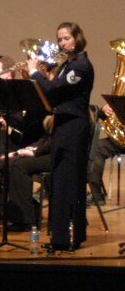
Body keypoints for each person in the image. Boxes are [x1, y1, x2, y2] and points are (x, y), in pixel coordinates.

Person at [29, 22, 94, 251]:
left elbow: (54, 89)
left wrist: (36, 73)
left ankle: (68, 238)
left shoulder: (81, 66)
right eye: (59, 39)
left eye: (66, 38)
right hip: (63, 126)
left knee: (69, 182)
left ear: (77, 38)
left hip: (73, 128)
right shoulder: (67, 64)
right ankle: (61, 237)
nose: (62, 42)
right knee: (59, 182)